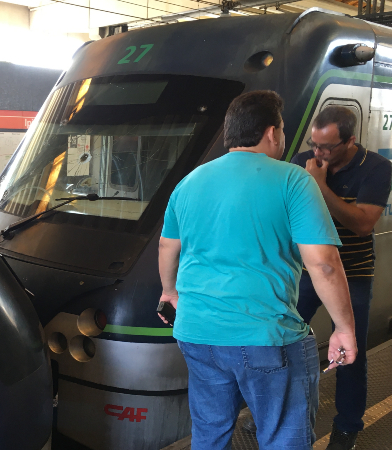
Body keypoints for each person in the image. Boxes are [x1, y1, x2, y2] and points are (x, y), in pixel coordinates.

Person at [158, 91, 357, 450]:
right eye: (281, 129)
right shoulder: (293, 180)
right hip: (265, 338)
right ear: (271, 132)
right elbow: (323, 264)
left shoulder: (189, 182)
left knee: (209, 434)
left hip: (197, 333)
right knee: (284, 439)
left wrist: (169, 292)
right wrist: (344, 328)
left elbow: (167, 247)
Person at [291, 106, 392, 450]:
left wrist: (319, 186)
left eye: (326, 148)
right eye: (314, 145)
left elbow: (363, 224)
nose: (317, 154)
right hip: (306, 271)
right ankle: (276, 411)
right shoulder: (301, 162)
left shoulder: (377, 169)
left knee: (352, 353)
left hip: (353, 273)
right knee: (281, 342)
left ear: (350, 141)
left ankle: (347, 427)